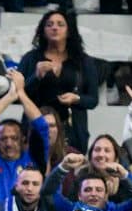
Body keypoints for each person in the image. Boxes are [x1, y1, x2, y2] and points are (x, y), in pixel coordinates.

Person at [18, 11, 100, 150]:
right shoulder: (30, 58)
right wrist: (36, 76)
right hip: (37, 124)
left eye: (60, 24)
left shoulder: (83, 61)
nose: (54, 28)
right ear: (43, 31)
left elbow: (93, 100)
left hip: (72, 128)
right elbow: (18, 95)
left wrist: (77, 99)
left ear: (69, 31)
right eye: (49, 25)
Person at [0, 70, 48, 210]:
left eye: (14, 138)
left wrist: (21, 93)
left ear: (23, 139)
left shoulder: (34, 160)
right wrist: (9, 97)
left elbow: (42, 126)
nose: (8, 144)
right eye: (3, 139)